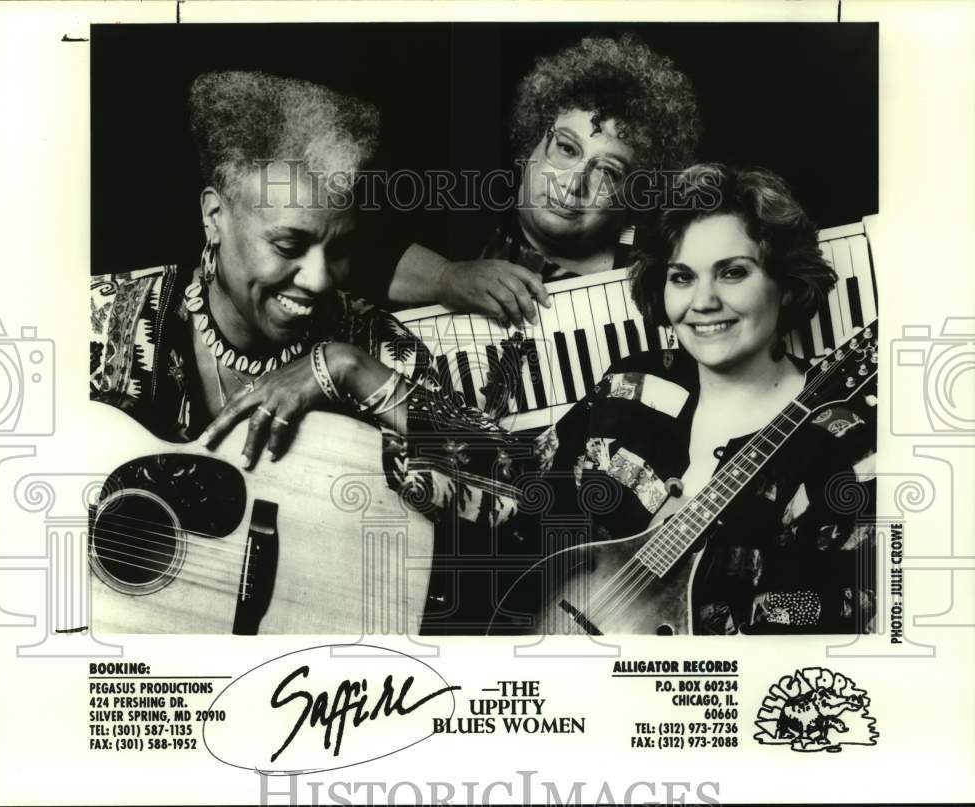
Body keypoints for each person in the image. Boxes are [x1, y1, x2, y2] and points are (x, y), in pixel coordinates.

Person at [386, 163, 877, 634]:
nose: (702, 302)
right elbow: (527, 495)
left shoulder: (845, 449)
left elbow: (847, 604)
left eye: (732, 273)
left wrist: (720, 614)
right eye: (682, 276)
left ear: (786, 284)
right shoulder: (633, 383)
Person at [90, 70, 500, 467]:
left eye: (339, 248)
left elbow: (514, 482)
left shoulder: (372, 344)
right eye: (289, 245)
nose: (320, 280)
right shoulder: (98, 320)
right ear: (215, 216)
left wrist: (346, 367)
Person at [379, 34, 701, 327]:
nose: (573, 183)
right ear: (533, 139)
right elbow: (359, 253)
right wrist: (445, 277)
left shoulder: (661, 267)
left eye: (608, 171)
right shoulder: (459, 208)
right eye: (565, 148)